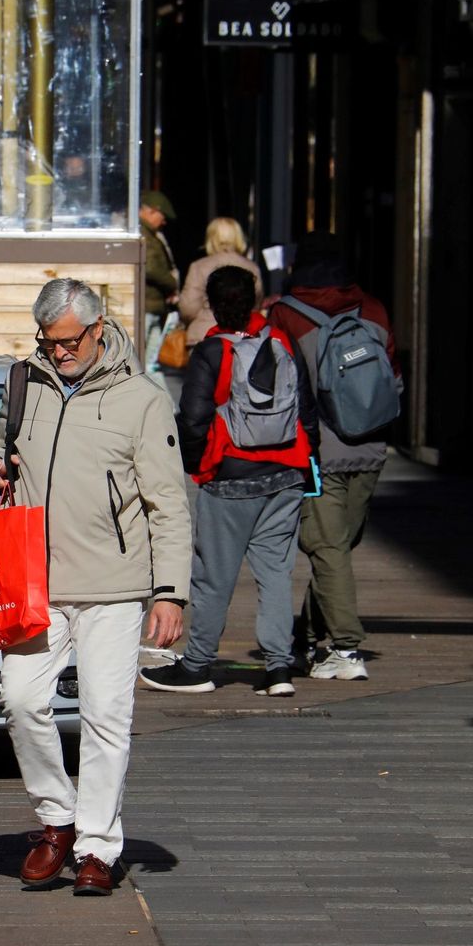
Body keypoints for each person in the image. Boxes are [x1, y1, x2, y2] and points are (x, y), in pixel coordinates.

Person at [0, 278, 190, 896]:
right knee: (20, 700)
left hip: (114, 585)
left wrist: (169, 592)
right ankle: (56, 819)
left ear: (99, 329)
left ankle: (97, 846)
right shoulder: (26, 381)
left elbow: (168, 505)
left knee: (105, 716)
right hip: (34, 580)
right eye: (50, 340)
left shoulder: (141, 400)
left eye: (70, 341)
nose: (59, 351)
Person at [141, 267, 318, 698]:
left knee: (213, 578)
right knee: (276, 574)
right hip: (285, 478)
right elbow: (307, 409)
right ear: (256, 299)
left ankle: (198, 665)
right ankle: (278, 669)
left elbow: (195, 418)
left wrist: (198, 467)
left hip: (230, 479)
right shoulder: (282, 342)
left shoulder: (212, 351)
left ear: (212, 303)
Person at [266, 254, 402, 681]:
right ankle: (306, 638)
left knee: (328, 548)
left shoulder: (286, 313)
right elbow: (392, 374)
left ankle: (345, 649)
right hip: (370, 443)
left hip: (317, 448)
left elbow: (277, 379)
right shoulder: (374, 309)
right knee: (338, 546)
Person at [176, 217, 262, 346]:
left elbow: (188, 307)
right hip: (242, 337)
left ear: (211, 238)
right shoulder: (252, 267)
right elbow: (255, 305)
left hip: (203, 335)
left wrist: (203, 316)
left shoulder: (199, 266)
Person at [139, 191, 179, 372]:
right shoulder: (145, 234)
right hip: (147, 305)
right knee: (146, 360)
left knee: (150, 362)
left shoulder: (150, 234)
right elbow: (152, 268)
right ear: (152, 211)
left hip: (153, 304)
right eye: (162, 217)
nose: (163, 222)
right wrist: (172, 283)